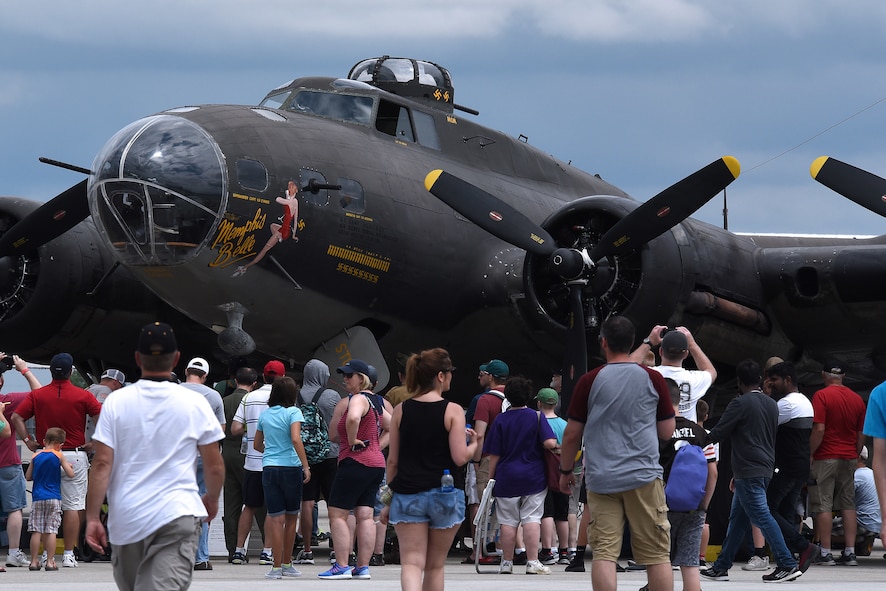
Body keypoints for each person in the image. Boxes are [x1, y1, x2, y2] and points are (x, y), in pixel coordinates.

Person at [84, 322, 225, 591]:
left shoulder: (117, 401)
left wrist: (92, 517)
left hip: (127, 517)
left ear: (137, 359)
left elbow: (102, 463)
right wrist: (211, 498)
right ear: (175, 359)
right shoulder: (195, 402)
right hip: (177, 514)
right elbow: (214, 462)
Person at [558, 316, 675, 591]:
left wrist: (565, 471)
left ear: (604, 343)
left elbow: (572, 434)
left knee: (604, 554)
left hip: (602, 479)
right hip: (644, 477)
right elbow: (667, 432)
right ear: (633, 342)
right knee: (657, 555)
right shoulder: (653, 378)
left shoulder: (589, 381)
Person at [700, 359, 804, 583]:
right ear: (759, 380)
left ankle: (787, 563)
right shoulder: (770, 404)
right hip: (763, 467)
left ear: (738, 381)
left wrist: (697, 436)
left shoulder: (740, 403)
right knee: (737, 518)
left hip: (748, 469)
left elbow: (719, 432)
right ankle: (721, 566)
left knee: (762, 515)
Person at [381, 348, 477, 590]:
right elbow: (458, 457)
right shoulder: (453, 410)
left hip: (407, 492)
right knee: (435, 565)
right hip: (444, 493)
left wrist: (389, 500)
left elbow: (393, 461)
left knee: (411, 563)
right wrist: (475, 444)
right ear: (441, 376)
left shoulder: (402, 410)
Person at [11, 352, 102, 568]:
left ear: (51, 372)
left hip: (46, 453)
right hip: (74, 454)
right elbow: (103, 416)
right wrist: (96, 442)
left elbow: (16, 417)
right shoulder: (83, 395)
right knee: (72, 506)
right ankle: (69, 553)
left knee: (44, 505)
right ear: (71, 372)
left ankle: (44, 555)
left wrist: (29, 440)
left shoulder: (38, 396)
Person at [318, 359, 390, 580]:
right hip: (376, 464)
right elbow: (395, 426)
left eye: (349, 375)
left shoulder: (357, 399)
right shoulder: (378, 402)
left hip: (355, 462)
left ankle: (341, 565)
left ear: (362, 378)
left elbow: (353, 418)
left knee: (337, 514)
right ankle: (363, 567)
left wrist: (352, 440)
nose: (345, 379)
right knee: (366, 515)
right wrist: (377, 445)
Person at [484, 376, 558, 575]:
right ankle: (533, 562)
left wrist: (491, 479)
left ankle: (507, 562)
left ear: (507, 397)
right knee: (532, 518)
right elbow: (550, 443)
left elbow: (494, 454)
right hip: (534, 477)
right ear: (529, 397)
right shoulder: (536, 417)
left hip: (507, 477)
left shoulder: (500, 420)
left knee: (508, 521)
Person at [657, 378, 717, 591]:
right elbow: (713, 472)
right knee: (690, 563)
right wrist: (704, 504)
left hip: (663, 505)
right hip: (694, 505)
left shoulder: (657, 431)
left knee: (660, 558)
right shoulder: (701, 433)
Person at [808, 358, 866, 566]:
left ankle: (825, 552)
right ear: (844, 377)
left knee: (823, 503)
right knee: (848, 503)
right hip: (849, 456)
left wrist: (811, 452)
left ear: (824, 375)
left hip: (825, 456)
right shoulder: (857, 399)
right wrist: (855, 453)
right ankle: (850, 553)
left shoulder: (821, 396)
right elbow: (861, 434)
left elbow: (819, 429)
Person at [253, 376, 310, 579]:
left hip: (269, 468)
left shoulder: (265, 415)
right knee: (291, 517)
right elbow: (295, 438)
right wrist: (306, 465)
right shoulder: (294, 412)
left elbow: (256, 445)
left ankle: (275, 567)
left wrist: (271, 452)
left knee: (275, 518)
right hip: (291, 468)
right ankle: (287, 562)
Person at [230, 360, 284, 565]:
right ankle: (266, 552)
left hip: (252, 462)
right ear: (282, 377)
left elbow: (235, 428)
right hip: (275, 461)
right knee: (273, 509)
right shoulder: (284, 399)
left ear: (263, 377)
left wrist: (249, 430)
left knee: (249, 507)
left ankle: (238, 551)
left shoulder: (249, 398)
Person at [181, 356, 226, 571]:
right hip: (204, 457)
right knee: (202, 506)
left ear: (186, 371)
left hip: (178, 458)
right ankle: (201, 557)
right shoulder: (214, 396)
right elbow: (220, 431)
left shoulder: (173, 393)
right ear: (205, 376)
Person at [294, 359, 341, 565]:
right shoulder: (331, 396)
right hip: (330, 454)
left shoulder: (295, 395)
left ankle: (306, 549)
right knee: (334, 503)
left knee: (307, 502)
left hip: (306, 456)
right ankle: (335, 549)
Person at [1, 353, 41, 569]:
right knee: (14, 509)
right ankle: (14, 553)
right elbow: (39, 393)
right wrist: (23, 369)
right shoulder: (8, 401)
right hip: (8, 464)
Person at [631, 325, 716, 423]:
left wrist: (649, 342)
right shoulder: (694, 379)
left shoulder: (649, 375)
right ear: (686, 354)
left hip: (654, 435)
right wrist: (692, 344)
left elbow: (623, 368)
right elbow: (711, 371)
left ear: (660, 351)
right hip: (685, 436)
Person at [221, 365, 257, 561]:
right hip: (248, 455)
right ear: (254, 383)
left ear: (235, 381)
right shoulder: (253, 400)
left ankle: (232, 548)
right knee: (257, 502)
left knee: (231, 503)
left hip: (227, 453)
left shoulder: (225, 401)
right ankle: (268, 544)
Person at [25, 427, 75, 571]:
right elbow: (70, 474)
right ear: (60, 444)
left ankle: (34, 562)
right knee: (51, 530)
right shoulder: (59, 455)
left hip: (38, 497)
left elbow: (28, 476)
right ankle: (50, 561)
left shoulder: (35, 456)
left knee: (36, 531)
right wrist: (68, 466)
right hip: (54, 497)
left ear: (44, 441)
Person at [232, 180, 299, 277]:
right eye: (289, 186)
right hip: (284, 229)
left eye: (292, 186)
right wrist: (293, 235)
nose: (289, 188)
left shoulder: (293, 201)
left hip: (284, 232)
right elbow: (295, 220)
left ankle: (246, 267)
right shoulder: (292, 200)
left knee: (265, 249)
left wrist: (286, 195)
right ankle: (279, 238)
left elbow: (279, 200)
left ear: (296, 189)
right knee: (272, 225)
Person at [535, 387, 570, 566]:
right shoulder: (564, 424)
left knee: (546, 513)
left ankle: (548, 550)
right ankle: (564, 551)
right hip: (562, 471)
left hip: (543, 472)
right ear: (555, 404)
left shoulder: (538, 422)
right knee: (562, 514)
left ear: (539, 403)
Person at [84, 369, 125, 448]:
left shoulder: (88, 389)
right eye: (120, 385)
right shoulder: (105, 390)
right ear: (116, 382)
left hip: (82, 438)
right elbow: (100, 413)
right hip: (92, 441)